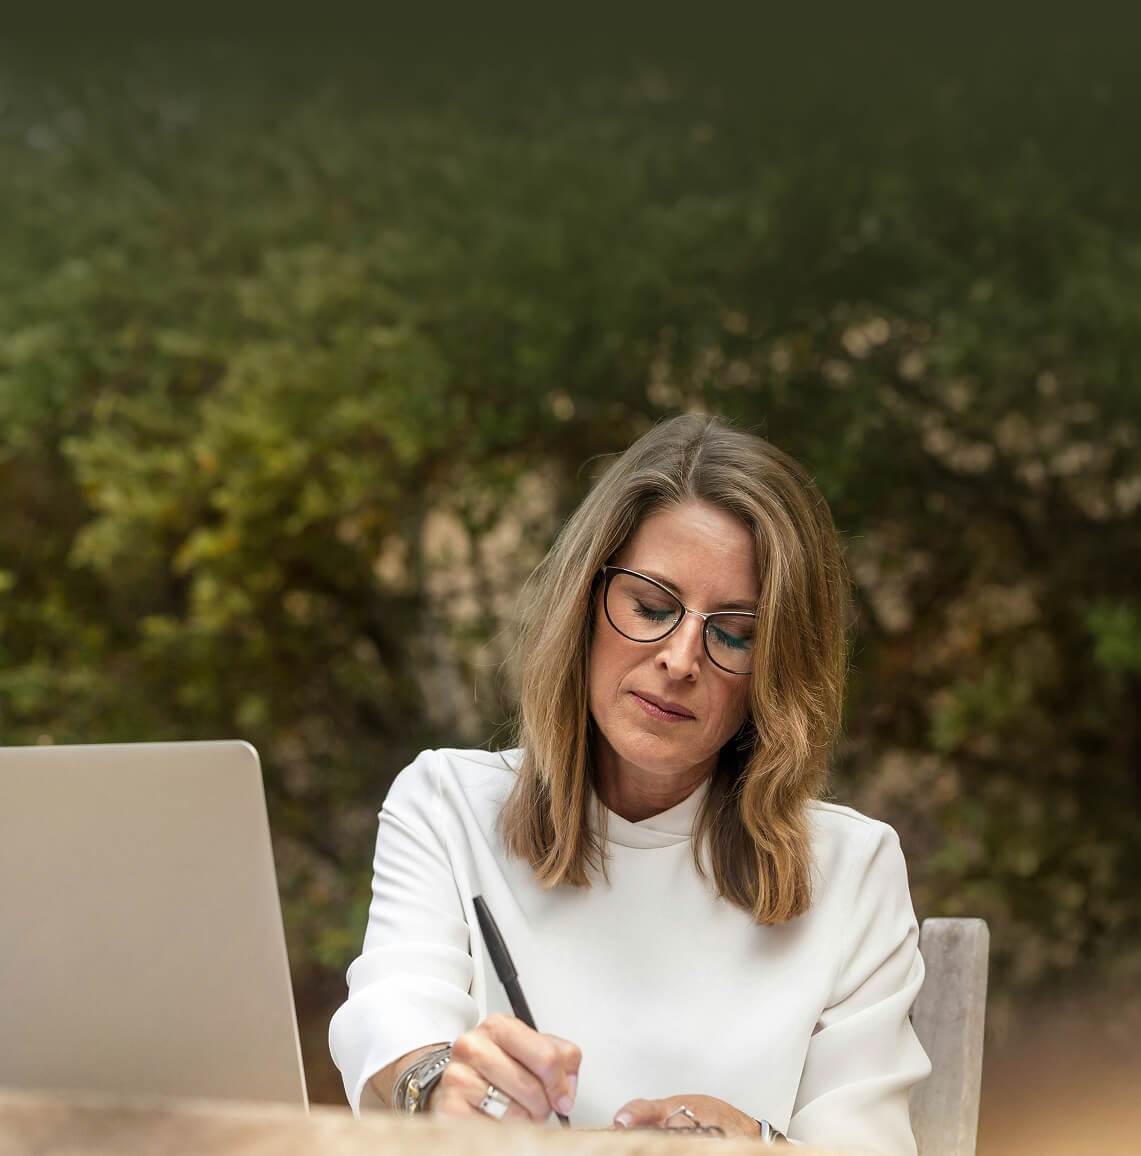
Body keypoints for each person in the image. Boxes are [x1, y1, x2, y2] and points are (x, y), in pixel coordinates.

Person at [328, 415, 931, 1152]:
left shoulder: (852, 870)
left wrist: (763, 1144)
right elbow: (396, 1016)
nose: (681, 659)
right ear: (585, 602)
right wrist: (436, 1086)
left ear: (777, 669)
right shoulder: (448, 805)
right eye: (650, 607)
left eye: (734, 633)